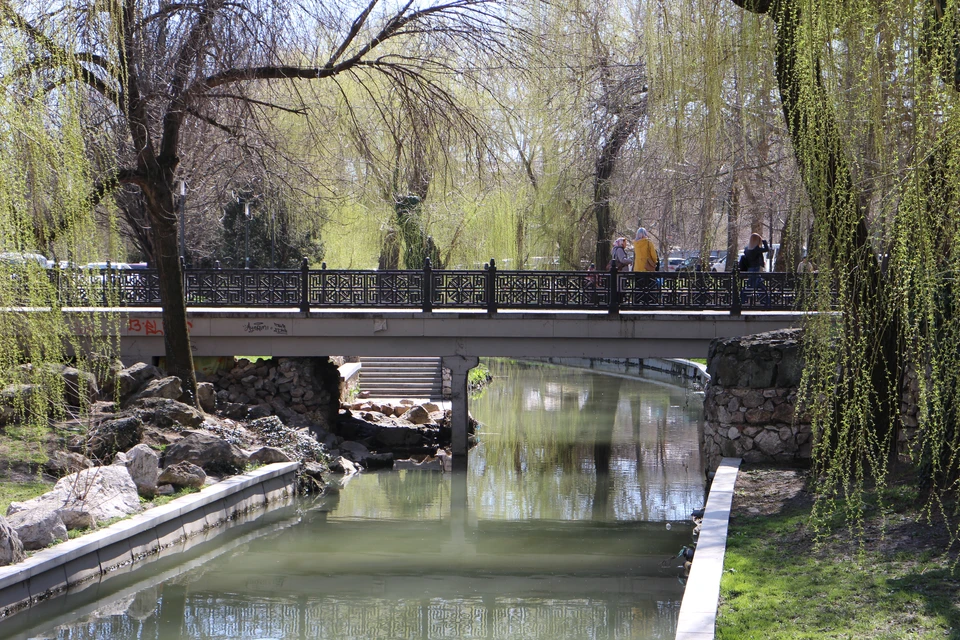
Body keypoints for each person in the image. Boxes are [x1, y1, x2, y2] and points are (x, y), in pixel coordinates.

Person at [740, 233, 769, 306]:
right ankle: (742, 298)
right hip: (756, 268)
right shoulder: (756, 249)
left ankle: (765, 300)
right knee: (755, 285)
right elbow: (767, 249)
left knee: (755, 285)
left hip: (750, 268)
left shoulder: (747, 249)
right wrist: (764, 241)